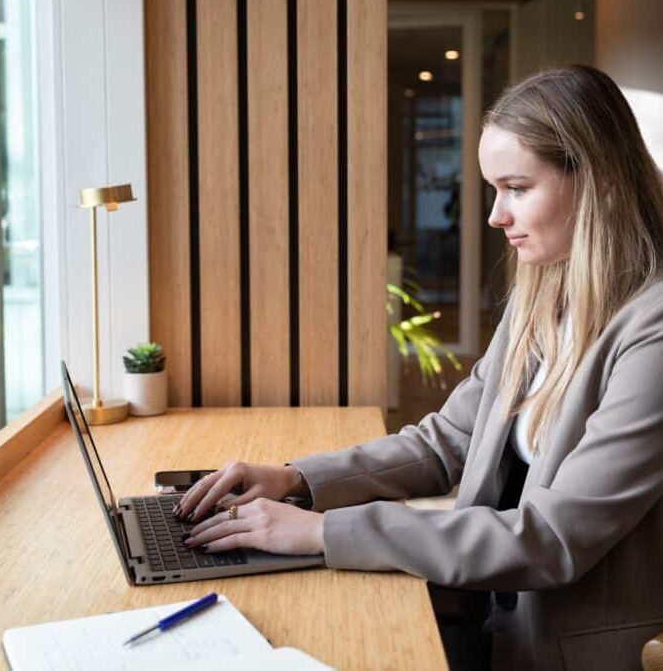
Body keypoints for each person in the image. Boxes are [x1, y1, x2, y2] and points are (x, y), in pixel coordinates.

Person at [174, 65, 663, 671]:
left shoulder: (653, 334)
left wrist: (321, 533)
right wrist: (296, 480)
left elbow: (553, 539)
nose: (494, 216)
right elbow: (446, 442)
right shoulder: (545, 296)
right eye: (493, 190)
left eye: (516, 187)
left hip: (559, 654)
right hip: (481, 614)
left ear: (600, 179)